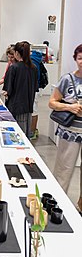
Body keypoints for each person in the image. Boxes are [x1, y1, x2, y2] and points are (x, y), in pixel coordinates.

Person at [49, 44, 82, 214]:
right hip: (70, 132)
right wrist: (70, 107)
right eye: (80, 58)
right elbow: (52, 102)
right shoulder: (67, 79)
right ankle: (56, 204)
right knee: (64, 169)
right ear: (75, 59)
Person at [3, 41, 38, 138]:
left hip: (16, 106)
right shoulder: (34, 68)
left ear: (17, 53)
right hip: (28, 105)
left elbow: (8, 90)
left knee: (17, 135)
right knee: (25, 133)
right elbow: (35, 87)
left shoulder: (14, 68)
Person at [30, 49, 43, 140]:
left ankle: (32, 131)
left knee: (34, 111)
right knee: (34, 110)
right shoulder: (37, 60)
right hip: (36, 88)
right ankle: (34, 130)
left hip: (33, 89)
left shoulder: (32, 62)